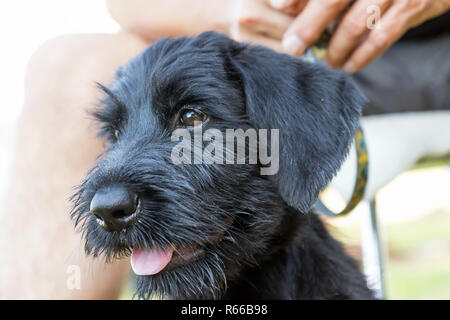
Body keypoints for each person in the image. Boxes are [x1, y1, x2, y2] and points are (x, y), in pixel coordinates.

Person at [1, 0, 448, 299]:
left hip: (423, 48)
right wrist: (232, 8)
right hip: (263, 50)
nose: (110, 198)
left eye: (191, 121)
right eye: (116, 135)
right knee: (63, 59)